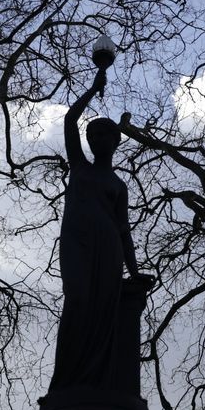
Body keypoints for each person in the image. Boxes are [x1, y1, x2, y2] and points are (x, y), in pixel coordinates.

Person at [48, 63, 144, 391]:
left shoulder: (118, 184)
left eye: (104, 134)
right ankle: (66, 382)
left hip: (108, 247)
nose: (96, 138)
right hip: (77, 241)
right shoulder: (80, 166)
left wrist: (133, 271)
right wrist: (93, 87)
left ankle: (96, 382)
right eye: (93, 134)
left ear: (116, 141)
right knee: (76, 299)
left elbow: (124, 230)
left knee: (104, 311)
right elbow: (70, 120)